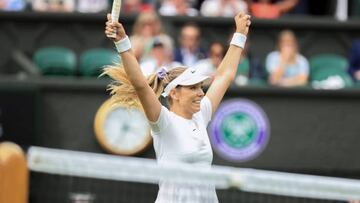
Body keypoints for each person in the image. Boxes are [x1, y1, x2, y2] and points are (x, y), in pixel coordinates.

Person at [104, 11, 251, 203]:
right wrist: (122, 41)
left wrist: (240, 34)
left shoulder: (202, 114)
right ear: (174, 93)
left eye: (200, 87)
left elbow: (225, 75)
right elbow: (140, 83)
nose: (201, 93)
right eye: (193, 88)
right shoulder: (163, 122)